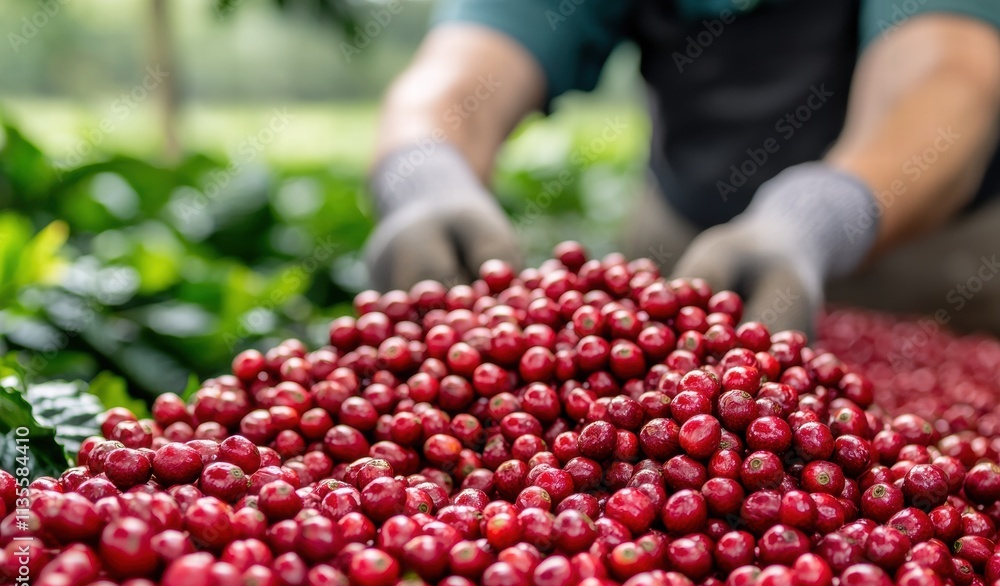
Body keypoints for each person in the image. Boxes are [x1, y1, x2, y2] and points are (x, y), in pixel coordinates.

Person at [363, 0, 1000, 336]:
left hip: (928, 258)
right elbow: (463, 68)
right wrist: (426, 176)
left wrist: (816, 218)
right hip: (690, 245)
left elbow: (945, 82)